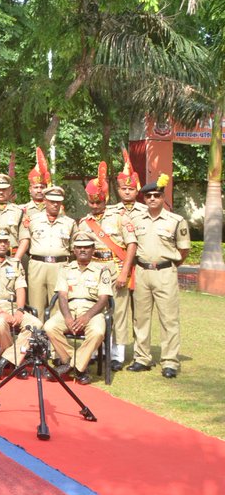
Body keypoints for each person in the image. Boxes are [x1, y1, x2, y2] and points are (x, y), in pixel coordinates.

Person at [127, 176, 190, 378]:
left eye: (156, 195)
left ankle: (170, 361)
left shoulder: (176, 221)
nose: (152, 199)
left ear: (163, 197)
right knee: (141, 318)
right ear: (144, 199)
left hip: (165, 272)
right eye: (148, 196)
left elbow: (183, 250)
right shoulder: (136, 220)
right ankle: (142, 358)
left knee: (169, 318)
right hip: (142, 272)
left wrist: (169, 265)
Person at [79, 163, 137, 370]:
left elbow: (131, 245)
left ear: (106, 199)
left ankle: (117, 354)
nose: (95, 206)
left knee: (119, 312)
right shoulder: (84, 223)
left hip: (115, 267)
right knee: (93, 309)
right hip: (94, 270)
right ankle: (94, 349)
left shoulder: (120, 217)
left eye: (99, 202)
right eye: (92, 203)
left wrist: (124, 272)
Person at [44, 233, 113, 384]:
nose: (83, 250)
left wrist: (87, 317)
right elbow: (62, 296)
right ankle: (76, 365)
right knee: (49, 326)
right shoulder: (65, 269)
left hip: (92, 310)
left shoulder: (102, 270)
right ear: (74, 250)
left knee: (98, 332)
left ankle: (71, 366)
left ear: (93, 249)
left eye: (87, 247)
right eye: (79, 247)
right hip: (69, 308)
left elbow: (103, 299)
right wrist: (68, 317)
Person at [0, 227, 42, 379]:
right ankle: (15, 362)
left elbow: (20, 289)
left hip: (13, 306)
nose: (2, 245)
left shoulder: (15, 264)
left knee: (36, 324)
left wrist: (19, 310)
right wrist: (0, 312)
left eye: (5, 241)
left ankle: (4, 360)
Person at [18, 186, 75, 314]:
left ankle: (53, 333)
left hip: (60, 266)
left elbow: (73, 249)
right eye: (51, 201)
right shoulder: (33, 220)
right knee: (35, 306)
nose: (55, 204)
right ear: (45, 200)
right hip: (37, 265)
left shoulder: (69, 223)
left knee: (58, 305)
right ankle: (36, 333)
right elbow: (26, 242)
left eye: (58, 201)